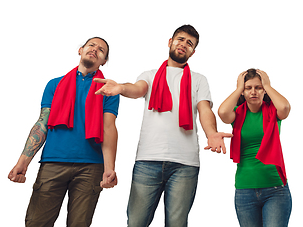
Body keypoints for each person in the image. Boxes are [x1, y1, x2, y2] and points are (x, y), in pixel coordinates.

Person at [94, 25, 232, 227]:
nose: (184, 44)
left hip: (185, 164)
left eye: (189, 43)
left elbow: (204, 110)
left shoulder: (199, 80)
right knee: (136, 222)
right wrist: (121, 88)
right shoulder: (149, 75)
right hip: (148, 161)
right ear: (170, 42)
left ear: (193, 52)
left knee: (177, 223)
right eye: (180, 39)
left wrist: (211, 133)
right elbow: (138, 89)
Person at [8, 37, 120, 227]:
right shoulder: (54, 84)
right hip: (53, 162)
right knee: (37, 222)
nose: (95, 49)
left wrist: (109, 168)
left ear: (104, 61)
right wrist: (22, 162)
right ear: (80, 50)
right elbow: (42, 124)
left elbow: (109, 128)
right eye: (91, 45)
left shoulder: (109, 90)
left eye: (101, 50)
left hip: (90, 167)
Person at [217, 69, 292, 227]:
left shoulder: (273, 112)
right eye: (248, 88)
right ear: (243, 92)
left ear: (264, 90)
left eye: (258, 87)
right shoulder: (237, 114)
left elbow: (285, 107)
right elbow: (223, 112)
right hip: (245, 190)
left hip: (275, 189)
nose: (253, 92)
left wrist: (268, 85)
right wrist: (238, 88)